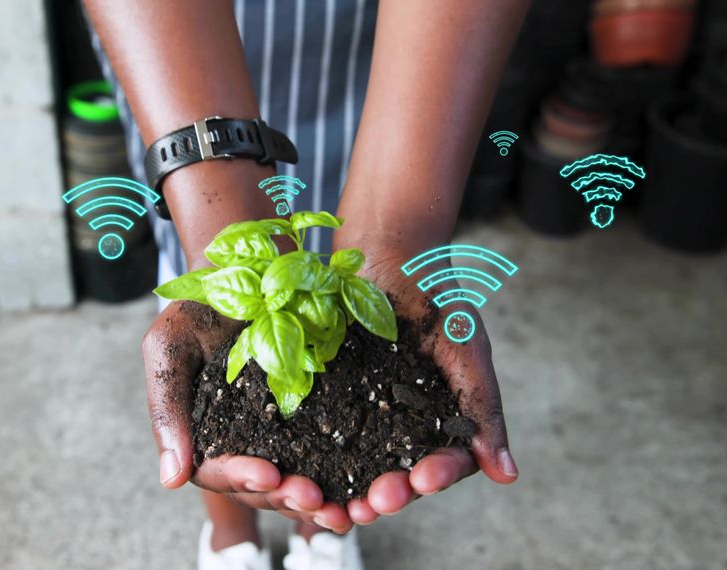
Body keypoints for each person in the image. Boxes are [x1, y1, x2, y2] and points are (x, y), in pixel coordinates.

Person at [82, 1, 530, 568]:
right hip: (170, 53)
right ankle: (231, 536)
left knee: (335, 190)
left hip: (382, 53)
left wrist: (401, 234)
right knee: (204, 288)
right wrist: (218, 207)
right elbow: (225, 258)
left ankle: (320, 527)